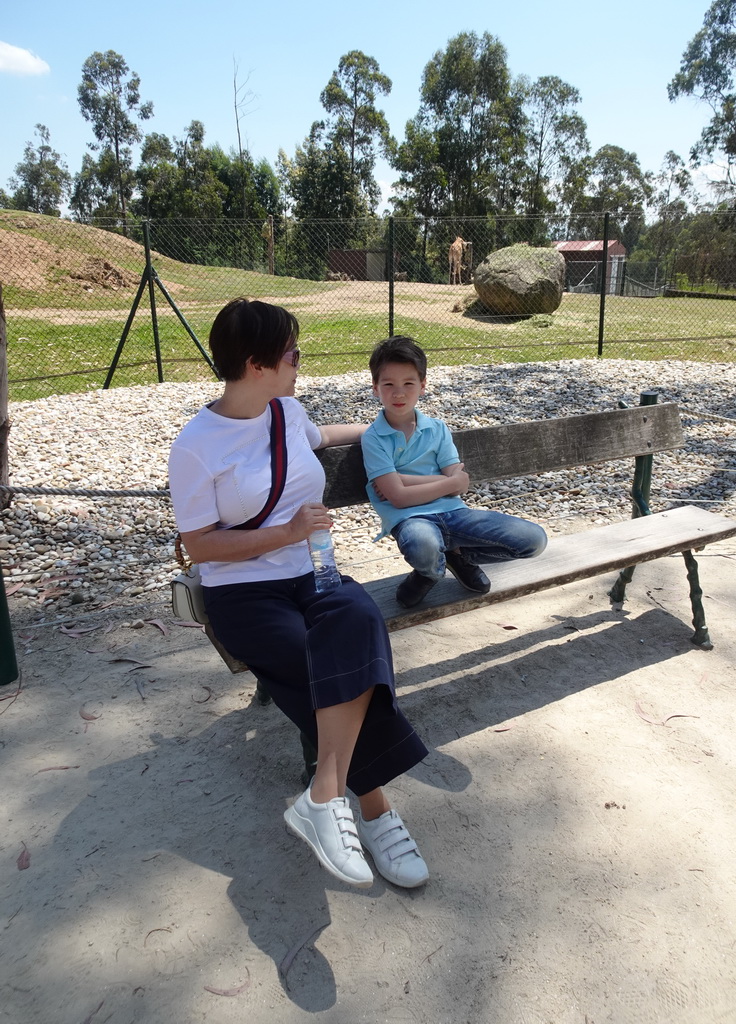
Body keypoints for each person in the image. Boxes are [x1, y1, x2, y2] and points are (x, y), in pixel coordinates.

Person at [168, 300, 429, 890]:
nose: (299, 361)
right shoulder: (196, 446)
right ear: (256, 363)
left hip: (313, 572)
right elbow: (201, 547)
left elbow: (324, 435)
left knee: (361, 622)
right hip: (242, 593)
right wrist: (285, 532)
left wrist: (387, 426)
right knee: (322, 665)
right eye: (292, 353)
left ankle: (323, 793)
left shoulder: (286, 412)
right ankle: (376, 810)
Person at [362, 336, 548, 608]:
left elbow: (460, 486)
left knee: (534, 540)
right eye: (388, 384)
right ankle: (429, 572)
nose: (399, 393)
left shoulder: (437, 428)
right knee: (422, 543)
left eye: (408, 383)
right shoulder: (374, 437)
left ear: (422, 386)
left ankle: (458, 556)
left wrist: (407, 480)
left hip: (455, 513)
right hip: (410, 518)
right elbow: (400, 499)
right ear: (375, 388)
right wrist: (447, 481)